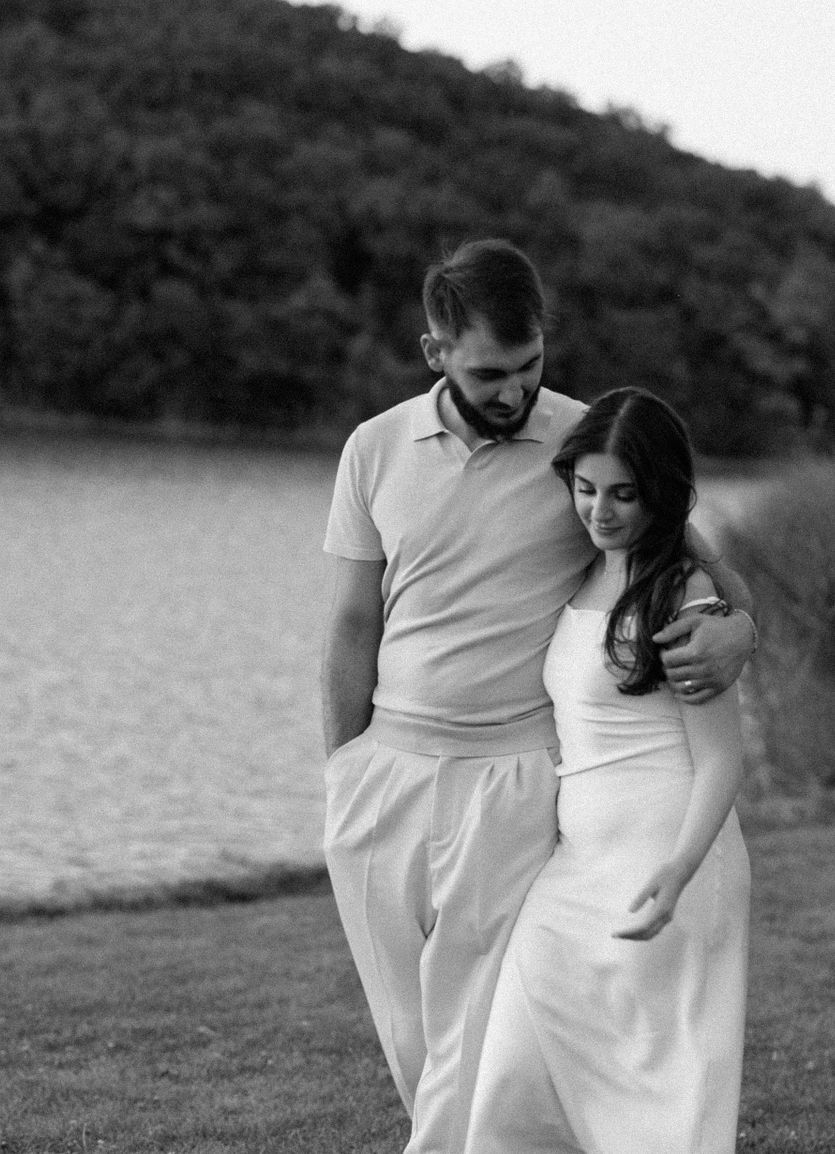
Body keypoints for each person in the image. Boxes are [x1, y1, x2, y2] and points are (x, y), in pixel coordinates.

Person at [320, 239, 757, 1153]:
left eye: (530, 364)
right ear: (435, 351)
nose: (515, 389)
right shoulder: (373, 449)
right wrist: (342, 769)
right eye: (490, 372)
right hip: (383, 775)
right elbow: (353, 624)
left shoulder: (585, 440)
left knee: (475, 1035)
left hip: (513, 776)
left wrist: (740, 627)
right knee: (409, 1031)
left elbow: (694, 556)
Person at [466, 386, 749, 1154]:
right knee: (511, 1078)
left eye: (623, 494)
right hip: (576, 869)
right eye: (586, 489)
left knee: (659, 1097)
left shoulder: (684, 595)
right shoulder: (584, 575)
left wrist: (679, 871)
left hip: (669, 859)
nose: (599, 510)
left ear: (660, 493)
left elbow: (722, 757)